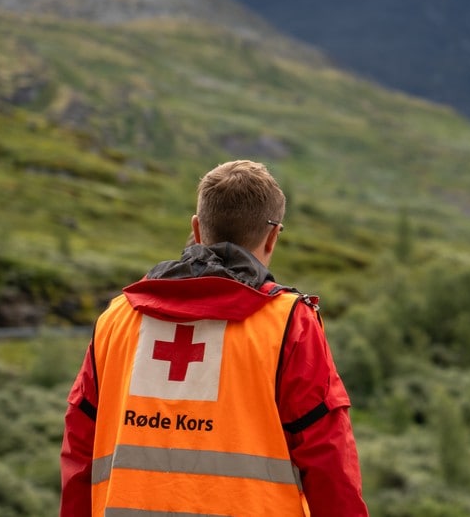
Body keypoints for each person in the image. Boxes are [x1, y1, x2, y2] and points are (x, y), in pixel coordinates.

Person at [60, 160, 368, 516]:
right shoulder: (289, 324)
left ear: (197, 229)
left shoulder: (116, 319)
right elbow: (328, 458)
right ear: (273, 236)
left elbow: (79, 451)